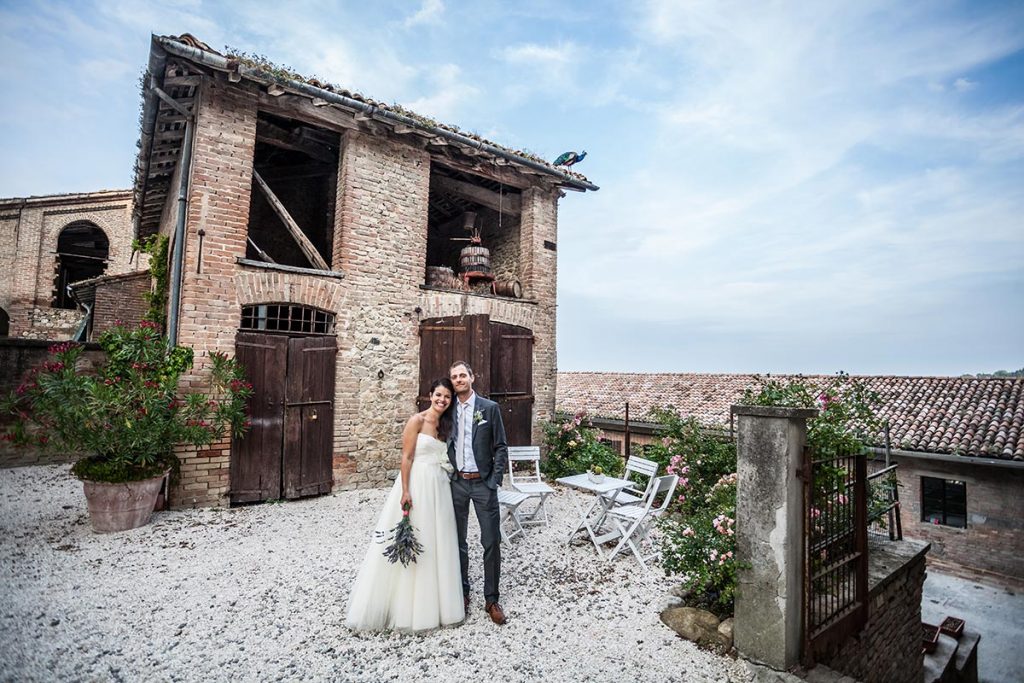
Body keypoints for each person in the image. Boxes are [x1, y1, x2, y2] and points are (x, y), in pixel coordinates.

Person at [345, 378, 465, 632]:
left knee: (438, 540)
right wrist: (406, 490)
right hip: (418, 484)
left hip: (440, 487)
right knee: (417, 534)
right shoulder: (417, 421)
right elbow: (407, 456)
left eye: (447, 397)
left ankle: (440, 605)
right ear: (430, 395)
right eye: (438, 395)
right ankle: (405, 607)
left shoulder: (447, 425)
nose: (442, 400)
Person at [447, 360, 509, 625]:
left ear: (472, 377)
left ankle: (491, 599)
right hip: (457, 483)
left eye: (463, 375)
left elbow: (501, 447)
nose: (459, 379)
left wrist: (494, 480)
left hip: (483, 484)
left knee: (491, 540)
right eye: (454, 377)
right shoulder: (447, 410)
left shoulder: (489, 408)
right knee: (457, 541)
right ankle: (463, 592)